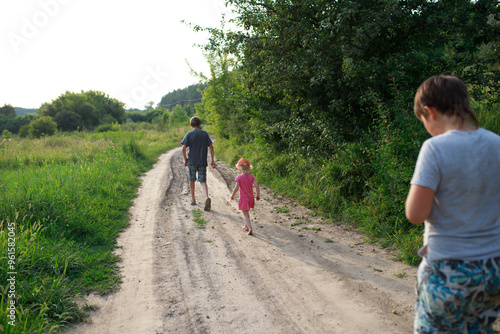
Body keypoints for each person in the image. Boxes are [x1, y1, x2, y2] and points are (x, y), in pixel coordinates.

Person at [405, 75, 500, 333]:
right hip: (492, 268)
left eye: (422, 120)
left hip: (449, 269)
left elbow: (415, 213)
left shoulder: (434, 149)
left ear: (429, 112)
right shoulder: (496, 143)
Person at [181, 116, 216, 211]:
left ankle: (193, 200)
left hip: (192, 161)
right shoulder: (204, 134)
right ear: (199, 124)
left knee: (191, 180)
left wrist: (185, 159)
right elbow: (211, 147)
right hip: (202, 161)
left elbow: (183, 148)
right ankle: (206, 197)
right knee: (203, 181)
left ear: (191, 125)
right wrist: (212, 160)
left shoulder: (189, 134)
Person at [230, 158, 260, 235]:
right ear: (249, 168)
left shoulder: (239, 177)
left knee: (245, 214)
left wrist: (232, 195)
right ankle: (246, 226)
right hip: (251, 198)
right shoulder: (251, 176)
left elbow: (236, 188)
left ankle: (250, 228)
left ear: (239, 169)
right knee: (247, 212)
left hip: (244, 198)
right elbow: (256, 185)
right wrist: (257, 195)